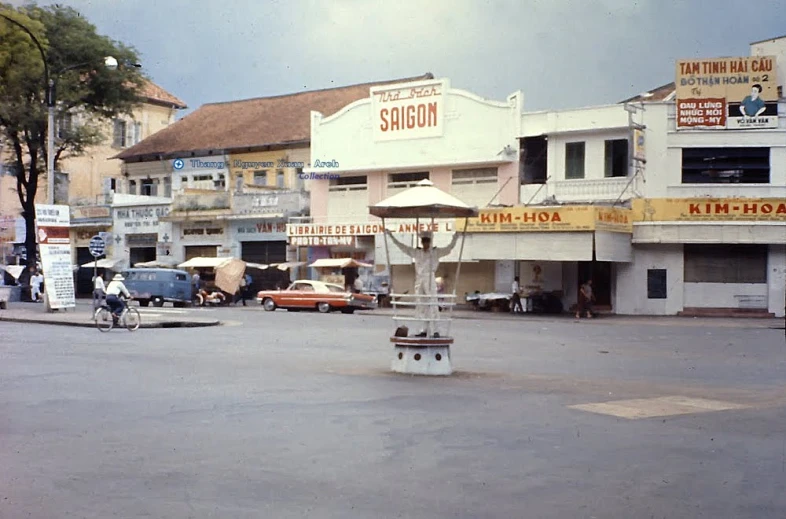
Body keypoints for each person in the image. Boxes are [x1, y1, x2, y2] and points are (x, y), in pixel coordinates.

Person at [385, 229, 459, 337]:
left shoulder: (435, 252)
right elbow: (402, 247)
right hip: (419, 279)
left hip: (429, 278)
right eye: (424, 241)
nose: (425, 244)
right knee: (421, 305)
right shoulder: (417, 252)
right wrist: (391, 237)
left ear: (430, 241)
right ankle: (424, 329)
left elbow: (449, 248)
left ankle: (436, 330)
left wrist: (455, 237)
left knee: (433, 304)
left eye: (427, 241)